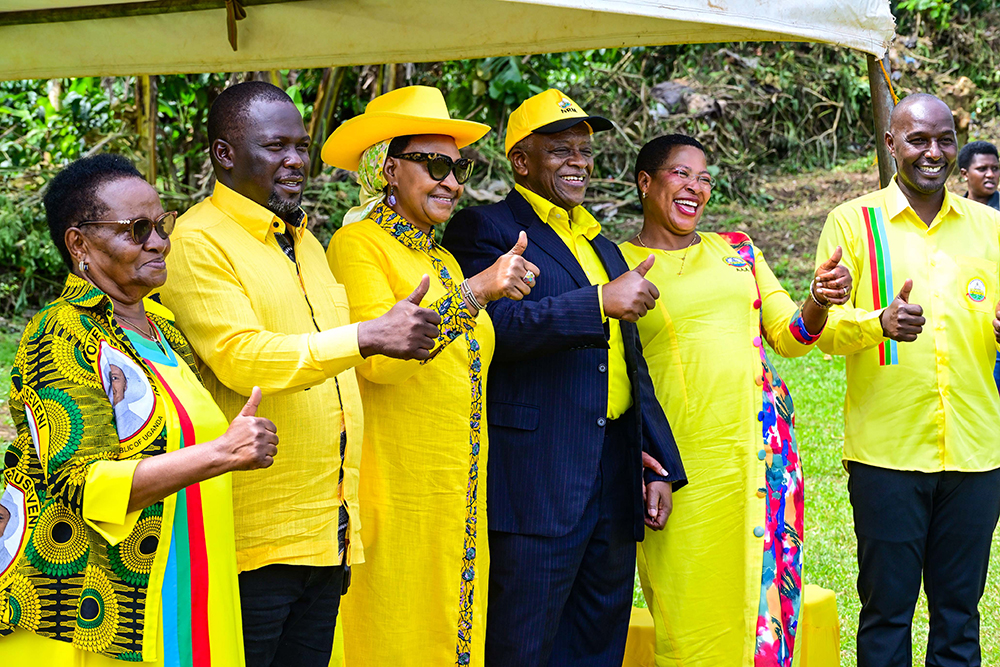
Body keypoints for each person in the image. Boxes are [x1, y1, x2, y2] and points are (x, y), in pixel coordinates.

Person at [158, 81, 441, 667]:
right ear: (224, 154)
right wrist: (367, 336)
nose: (294, 161)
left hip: (329, 528)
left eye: (301, 147)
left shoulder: (306, 241)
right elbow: (243, 357)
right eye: (275, 147)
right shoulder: (197, 240)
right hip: (255, 535)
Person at [0, 153, 278, 664]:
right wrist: (220, 453)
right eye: (137, 229)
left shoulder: (165, 330)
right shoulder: (61, 332)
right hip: (99, 611)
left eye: (161, 224)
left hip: (187, 589)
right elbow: (83, 483)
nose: (158, 242)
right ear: (80, 244)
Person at [443, 88, 686, 666]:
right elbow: (494, 333)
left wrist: (658, 459)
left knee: (598, 640)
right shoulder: (486, 229)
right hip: (536, 478)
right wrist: (598, 300)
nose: (579, 161)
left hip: (612, 471)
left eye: (585, 150)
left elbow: (631, 363)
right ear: (521, 161)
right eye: (561, 150)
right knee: (523, 643)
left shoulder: (598, 240)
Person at [324, 85, 540, 667]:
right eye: (436, 165)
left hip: (460, 495)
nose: (452, 182)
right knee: (396, 629)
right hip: (396, 489)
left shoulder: (441, 259)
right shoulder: (356, 245)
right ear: (389, 170)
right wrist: (476, 291)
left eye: (460, 167)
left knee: (453, 631)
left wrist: (485, 289)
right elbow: (380, 359)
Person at [620, 134, 851, 666]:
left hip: (763, 458)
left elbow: (791, 334)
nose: (695, 188)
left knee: (765, 600)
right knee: (687, 604)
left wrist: (818, 298)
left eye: (704, 179)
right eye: (681, 174)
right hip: (679, 464)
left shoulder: (738, 250)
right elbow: (610, 375)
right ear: (646, 182)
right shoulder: (617, 263)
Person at [815, 93, 1000, 667]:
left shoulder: (989, 226)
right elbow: (824, 331)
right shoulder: (854, 221)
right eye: (918, 140)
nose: (934, 152)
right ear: (891, 144)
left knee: (959, 616)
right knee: (887, 615)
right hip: (887, 453)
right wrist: (880, 323)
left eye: (944, 139)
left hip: (975, 452)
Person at [958, 140, 999, 209]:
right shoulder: (956, 210)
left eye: (995, 168)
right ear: (964, 174)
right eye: (982, 169)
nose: (991, 174)